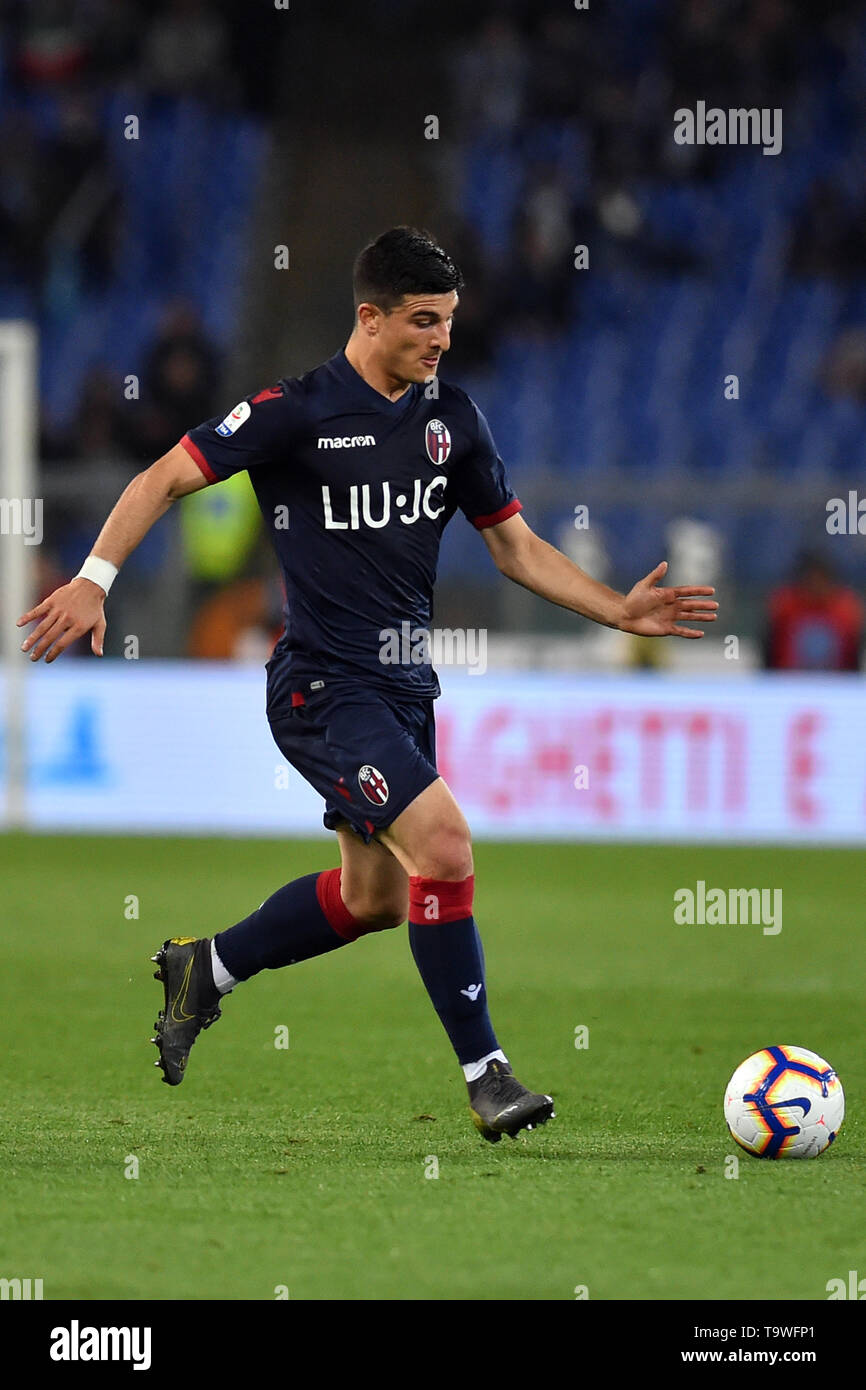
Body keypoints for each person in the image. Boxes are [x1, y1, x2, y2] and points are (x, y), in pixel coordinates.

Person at [18, 227, 718, 1142]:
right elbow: (160, 478)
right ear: (370, 317)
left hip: (403, 693)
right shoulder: (292, 410)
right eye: (424, 322)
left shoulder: (453, 420)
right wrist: (93, 580)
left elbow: (515, 549)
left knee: (378, 898)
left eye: (451, 322)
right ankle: (488, 1076)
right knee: (448, 847)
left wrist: (618, 613)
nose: (441, 340)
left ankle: (207, 969)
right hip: (320, 687)